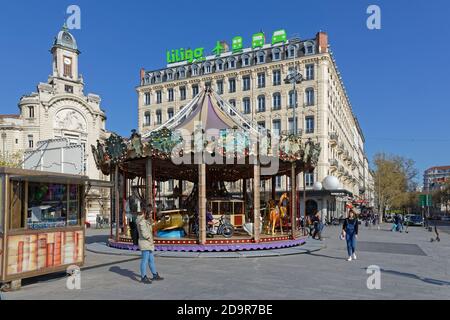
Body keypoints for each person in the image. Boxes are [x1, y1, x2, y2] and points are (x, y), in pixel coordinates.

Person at [137, 209, 164, 284]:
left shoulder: (146, 221)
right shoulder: (142, 222)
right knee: (145, 260)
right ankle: (143, 277)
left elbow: (152, 227)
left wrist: (156, 222)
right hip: (145, 243)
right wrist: (150, 237)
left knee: (151, 260)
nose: (151, 215)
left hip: (148, 243)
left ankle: (154, 274)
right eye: (150, 213)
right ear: (146, 213)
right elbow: (144, 234)